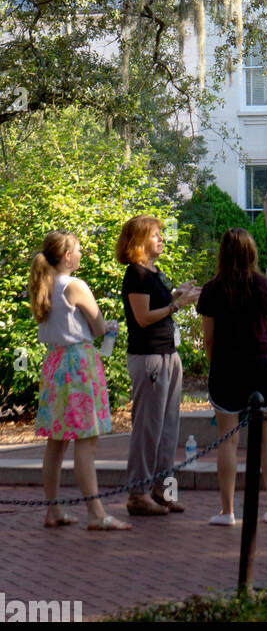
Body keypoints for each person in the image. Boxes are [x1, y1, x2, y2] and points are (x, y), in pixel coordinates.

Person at [28, 231, 130, 531]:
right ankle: (96, 513)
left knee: (56, 442)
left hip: (55, 362)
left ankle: (53, 510)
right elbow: (98, 327)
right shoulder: (74, 286)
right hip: (78, 363)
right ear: (67, 256)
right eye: (78, 249)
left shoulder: (44, 284)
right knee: (87, 440)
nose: (81, 253)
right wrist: (108, 327)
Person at [197, 228, 267, 525]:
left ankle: (228, 511)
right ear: (252, 253)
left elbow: (209, 339)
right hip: (260, 364)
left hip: (226, 367)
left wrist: (215, 366)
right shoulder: (266, 287)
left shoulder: (211, 290)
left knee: (227, 440)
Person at [118, 215, 199, 517]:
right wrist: (177, 304)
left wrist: (178, 294)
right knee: (148, 427)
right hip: (149, 357)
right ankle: (137, 494)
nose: (161, 239)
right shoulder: (136, 274)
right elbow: (142, 317)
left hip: (169, 353)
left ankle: (162, 491)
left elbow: (158, 306)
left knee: (168, 427)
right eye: (155, 235)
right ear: (139, 241)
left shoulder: (153, 272)